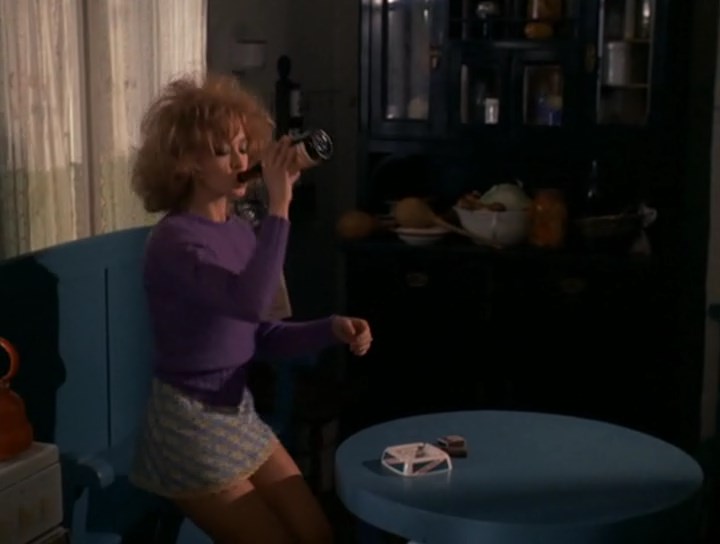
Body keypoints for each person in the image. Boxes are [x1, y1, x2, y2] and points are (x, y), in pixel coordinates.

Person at [129, 72, 372, 544]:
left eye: (244, 147)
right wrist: (280, 205)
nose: (243, 162)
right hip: (188, 423)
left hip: (236, 411)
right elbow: (249, 300)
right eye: (225, 151)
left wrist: (331, 328)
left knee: (318, 534)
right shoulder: (173, 242)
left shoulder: (241, 231)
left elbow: (262, 332)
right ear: (188, 163)